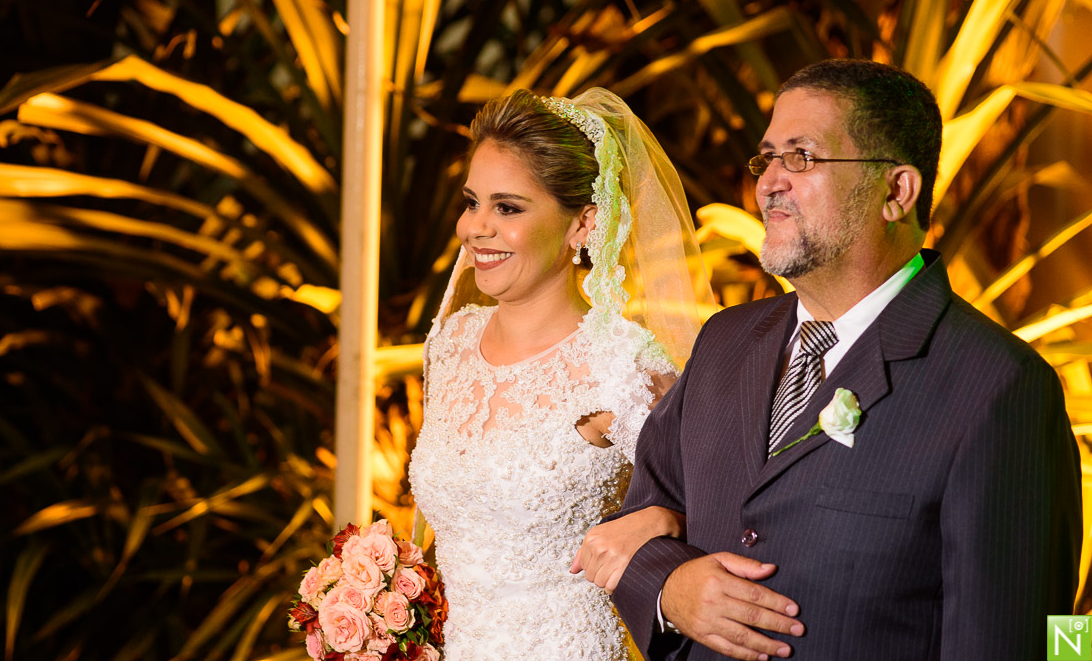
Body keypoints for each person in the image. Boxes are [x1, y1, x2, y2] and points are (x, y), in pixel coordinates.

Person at [575, 59, 1082, 661]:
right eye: (767, 158)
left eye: (801, 157)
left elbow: (1034, 640)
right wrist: (669, 589)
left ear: (896, 192)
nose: (769, 183)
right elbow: (643, 515)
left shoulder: (1002, 387)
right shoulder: (723, 342)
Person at [408, 88, 715, 660]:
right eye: (472, 202)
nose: (476, 227)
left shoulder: (620, 365)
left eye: (508, 208)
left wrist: (662, 518)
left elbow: (717, 503)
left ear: (582, 224)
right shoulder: (451, 343)